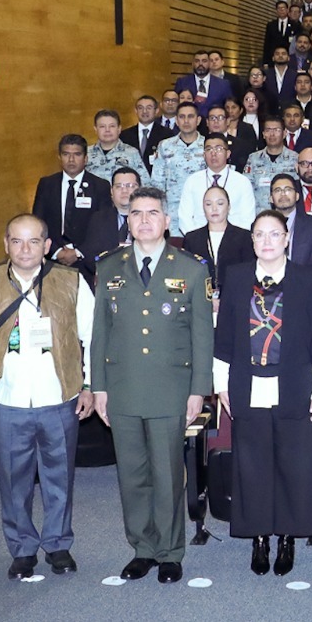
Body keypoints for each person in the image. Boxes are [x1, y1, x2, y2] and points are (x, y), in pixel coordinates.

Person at [0, 214, 95, 580]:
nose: (24, 249)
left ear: (47, 246)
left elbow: (95, 339)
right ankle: (22, 548)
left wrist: (91, 386)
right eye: (16, 241)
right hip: (5, 402)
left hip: (59, 398)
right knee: (13, 481)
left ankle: (58, 545)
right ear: (5, 244)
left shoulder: (72, 282)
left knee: (59, 477)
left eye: (33, 242)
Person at [90, 187, 212, 585]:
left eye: (152, 213)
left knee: (167, 473)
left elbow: (201, 336)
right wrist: (99, 387)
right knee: (132, 473)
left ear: (166, 220)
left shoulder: (191, 268)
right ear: (128, 220)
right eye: (136, 213)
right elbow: (99, 333)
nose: (144, 220)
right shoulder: (108, 267)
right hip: (122, 387)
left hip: (170, 388)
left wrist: (198, 390)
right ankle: (142, 548)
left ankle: (171, 552)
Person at [214, 210, 312, 576]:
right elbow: (224, 338)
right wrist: (220, 385)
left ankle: (287, 536)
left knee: (294, 465)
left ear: (286, 238)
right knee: (252, 464)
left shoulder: (306, 278)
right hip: (246, 385)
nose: (267, 242)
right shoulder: (235, 278)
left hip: (295, 385)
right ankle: (259, 537)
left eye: (274, 234)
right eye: (259, 235)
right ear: (252, 241)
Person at [31, 134, 112, 280]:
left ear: (86, 158)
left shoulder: (100, 186)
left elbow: (103, 228)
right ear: (59, 157)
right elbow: (37, 223)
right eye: (66, 154)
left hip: (86, 262)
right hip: (52, 260)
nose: (71, 160)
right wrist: (56, 252)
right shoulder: (47, 184)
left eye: (77, 155)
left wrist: (77, 252)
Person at [177, 133, 256, 232]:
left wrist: (233, 240)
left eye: (218, 149)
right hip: (199, 239)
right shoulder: (193, 181)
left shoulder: (242, 182)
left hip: (234, 240)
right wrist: (196, 240)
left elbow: (248, 219)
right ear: (204, 155)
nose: (213, 153)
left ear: (228, 154)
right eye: (209, 149)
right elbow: (184, 218)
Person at [182, 186, 254, 294]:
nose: (214, 208)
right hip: (200, 298)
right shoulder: (191, 238)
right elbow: (186, 275)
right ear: (203, 208)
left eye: (220, 203)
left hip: (235, 297)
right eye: (208, 204)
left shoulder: (244, 237)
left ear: (229, 207)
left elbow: (248, 275)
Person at [150, 102, 208, 235]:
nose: (186, 121)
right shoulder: (165, 146)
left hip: (201, 212)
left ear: (198, 120)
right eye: (182, 117)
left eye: (190, 116)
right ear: (176, 120)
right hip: (173, 214)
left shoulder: (207, 145)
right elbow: (157, 182)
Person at [87, 110, 146, 184]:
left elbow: (145, 184)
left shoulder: (132, 153)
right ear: (95, 129)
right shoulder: (86, 153)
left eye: (112, 126)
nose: (107, 130)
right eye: (102, 126)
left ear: (119, 129)